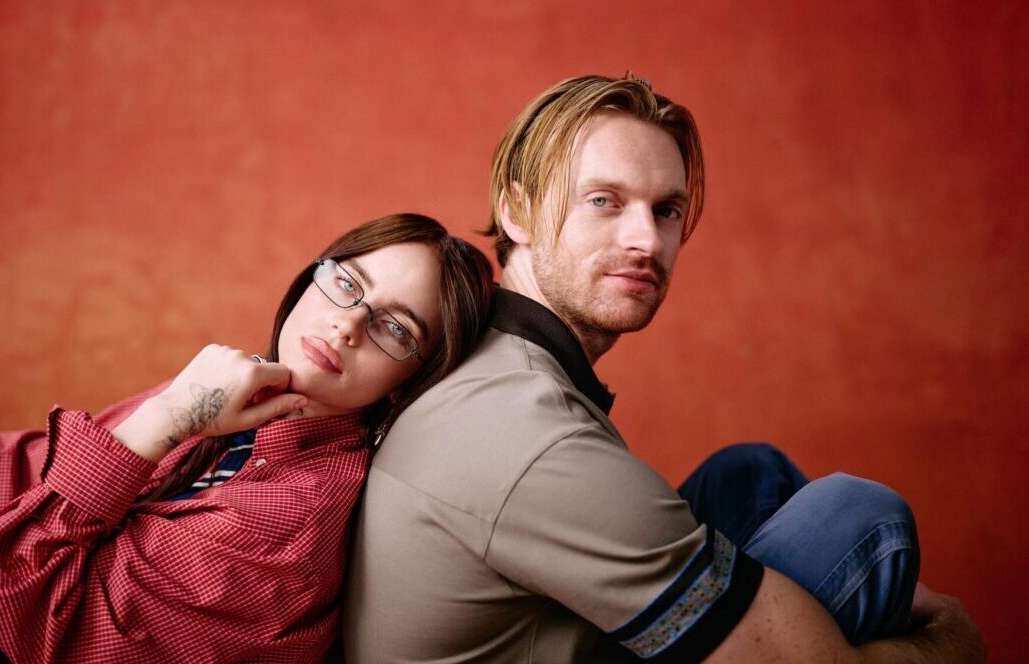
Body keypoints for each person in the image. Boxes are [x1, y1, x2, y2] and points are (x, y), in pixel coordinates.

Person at [342, 77, 985, 662]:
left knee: (749, 474)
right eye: (604, 201)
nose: (646, 241)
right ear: (518, 212)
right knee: (865, 516)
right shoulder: (531, 437)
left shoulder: (492, 358)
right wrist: (948, 643)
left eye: (666, 210)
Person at [0, 213, 495, 663]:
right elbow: (27, 471)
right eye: (348, 284)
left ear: (410, 381)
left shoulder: (293, 520)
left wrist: (161, 422)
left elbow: (22, 608)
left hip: (35, 634)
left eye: (396, 329)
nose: (347, 324)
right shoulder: (242, 395)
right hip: (26, 597)